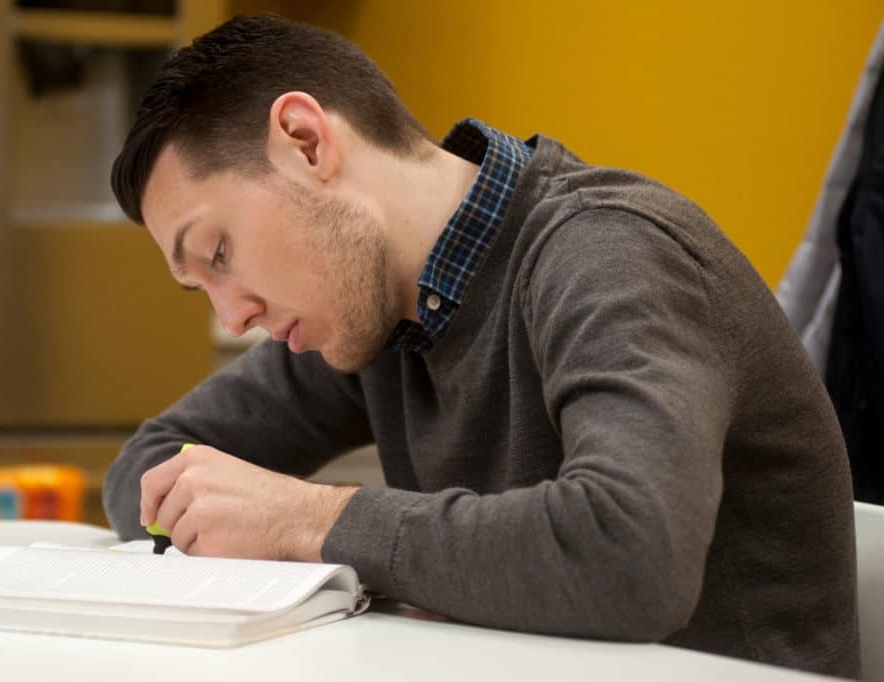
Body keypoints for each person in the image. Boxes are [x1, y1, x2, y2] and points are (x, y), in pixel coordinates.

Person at [103, 14, 859, 678]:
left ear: (305, 141)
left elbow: (632, 557)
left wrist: (311, 521)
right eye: (200, 285)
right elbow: (148, 470)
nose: (232, 317)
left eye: (221, 253)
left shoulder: (610, 255)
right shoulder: (369, 316)